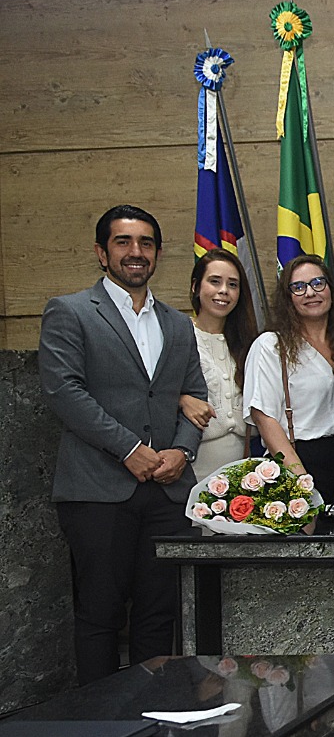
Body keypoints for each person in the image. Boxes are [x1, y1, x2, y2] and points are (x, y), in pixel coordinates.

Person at [38, 204, 205, 683]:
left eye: (146, 243)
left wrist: (182, 451)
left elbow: (195, 395)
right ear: (101, 252)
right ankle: (100, 722)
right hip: (98, 490)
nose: (136, 252)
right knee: (100, 614)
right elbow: (64, 392)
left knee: (159, 615)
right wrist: (129, 449)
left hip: (168, 491)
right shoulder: (70, 311)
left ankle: (148, 716)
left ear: (158, 254)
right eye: (123, 242)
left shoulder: (177, 323)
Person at [243, 254, 334, 502]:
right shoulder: (271, 346)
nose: (310, 293)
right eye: (299, 287)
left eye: (318, 283)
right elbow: (264, 418)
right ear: (287, 298)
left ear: (331, 289)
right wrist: (301, 483)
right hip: (297, 459)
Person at [186, 248, 258, 476]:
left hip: (243, 468)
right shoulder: (178, 335)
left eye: (233, 284)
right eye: (215, 281)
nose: (224, 291)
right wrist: (181, 400)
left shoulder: (250, 342)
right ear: (196, 287)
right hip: (190, 466)